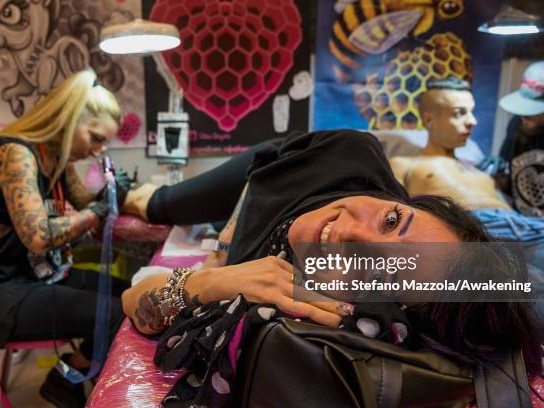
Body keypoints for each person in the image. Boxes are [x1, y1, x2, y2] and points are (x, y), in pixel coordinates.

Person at [121, 129, 541, 406]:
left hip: (249, 226)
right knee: (152, 203)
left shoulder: (295, 297)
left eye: (378, 272)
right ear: (404, 201)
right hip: (283, 163)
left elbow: (135, 301)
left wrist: (218, 277)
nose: (350, 234)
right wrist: (223, 255)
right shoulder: (347, 153)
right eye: (392, 220)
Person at [0, 69, 148, 407]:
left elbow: (87, 203)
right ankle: (69, 376)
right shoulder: (14, 154)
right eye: (96, 138)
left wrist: (115, 192)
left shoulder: (53, 155)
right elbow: (39, 237)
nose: (99, 151)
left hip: (32, 277)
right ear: (69, 121)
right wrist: (99, 209)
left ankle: (67, 375)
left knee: (135, 293)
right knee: (122, 313)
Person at [389, 77, 544, 244]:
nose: (472, 121)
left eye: (471, 112)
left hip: (530, 226)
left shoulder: (478, 166)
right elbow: (392, 212)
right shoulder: (406, 164)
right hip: (473, 227)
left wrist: (503, 177)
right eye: (459, 113)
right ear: (429, 120)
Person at [498, 60, 544, 218]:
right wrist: (497, 170)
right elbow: (507, 180)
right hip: (521, 226)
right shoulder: (518, 123)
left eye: (533, 111)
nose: (524, 116)